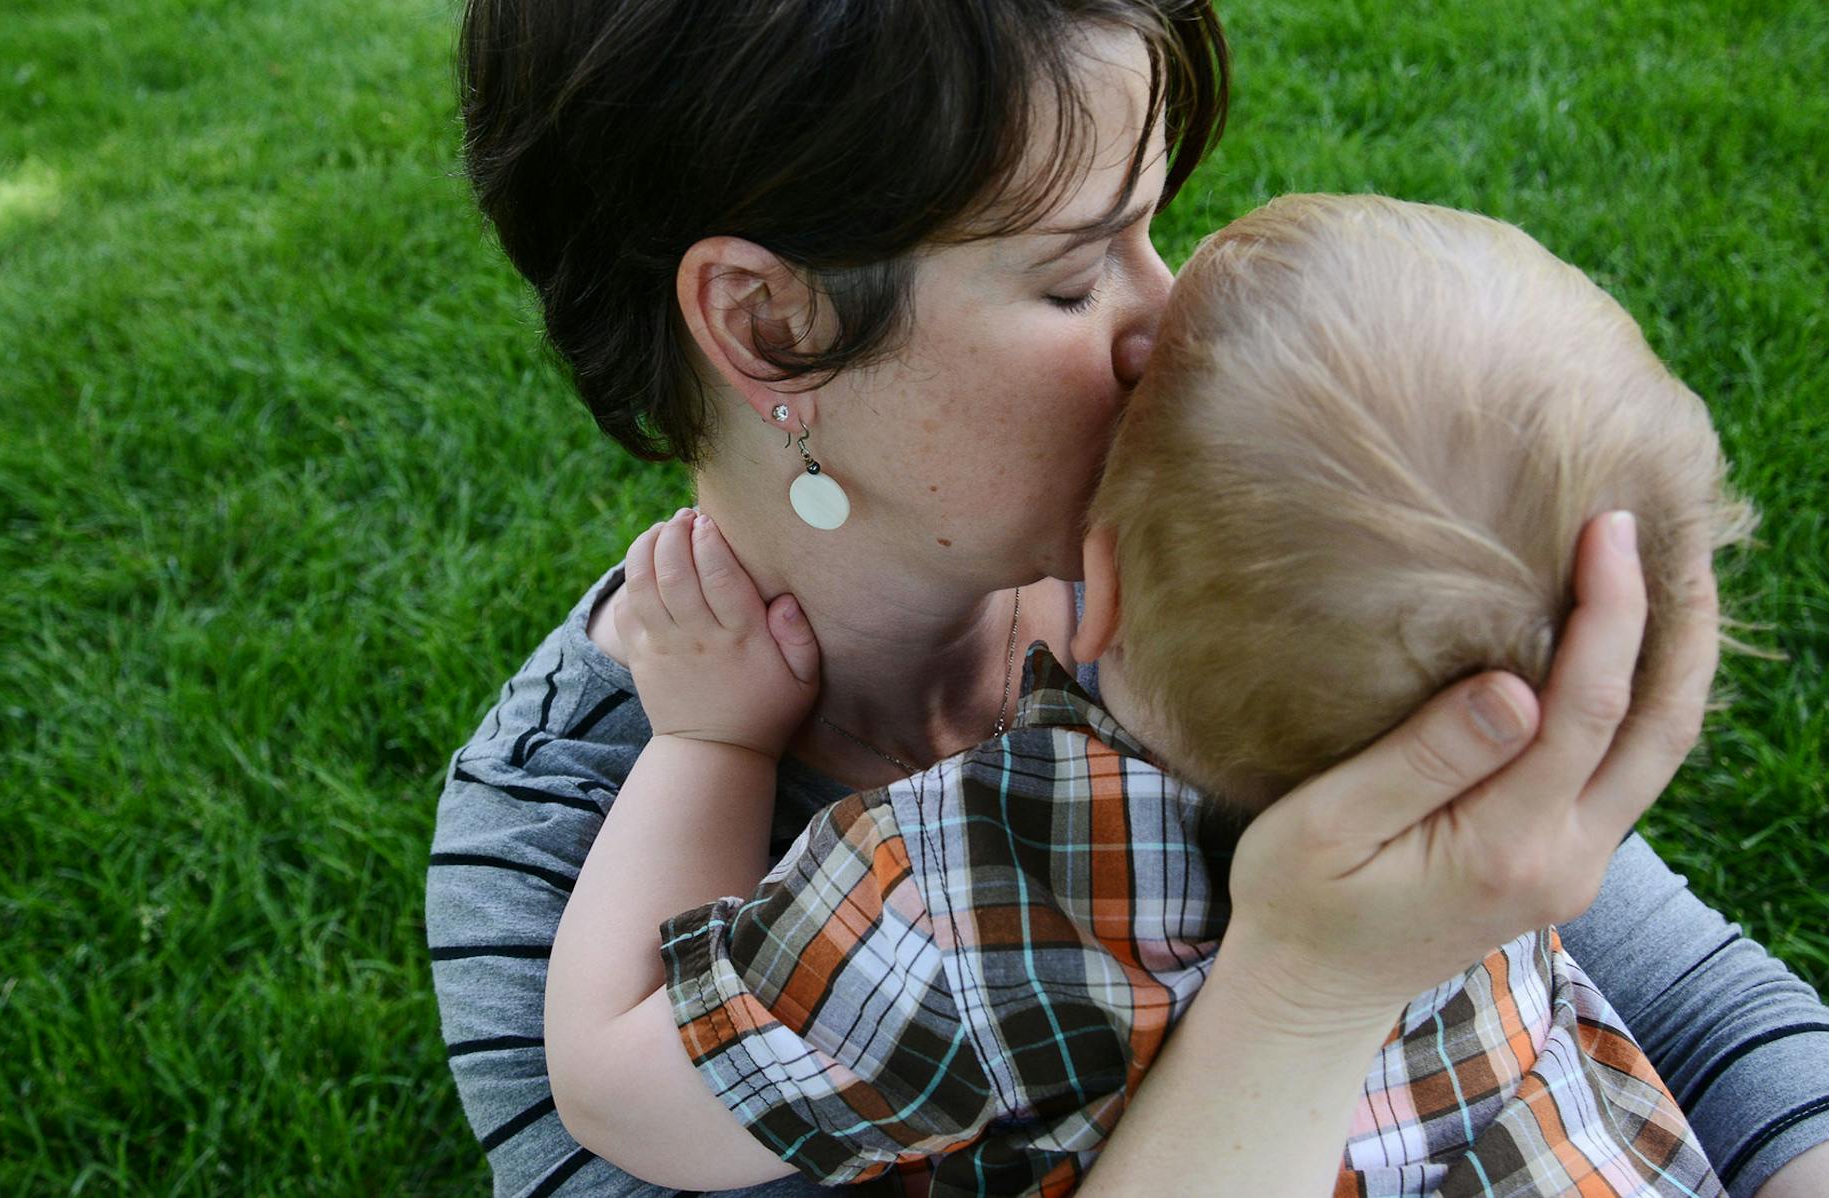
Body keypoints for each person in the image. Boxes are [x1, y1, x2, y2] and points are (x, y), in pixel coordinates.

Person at [427, 0, 1829, 1198]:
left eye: (1161, 229)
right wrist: (1310, 980)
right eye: (1078, 268)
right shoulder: (550, 835)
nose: (1167, 322)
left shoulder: (1265, 575)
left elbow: (1700, 1011)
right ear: (772, 322)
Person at [551, 194, 1747, 1195]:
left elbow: (618, 1082)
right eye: (1075, 278)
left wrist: (708, 738)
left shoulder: (957, 890)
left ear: (1100, 574)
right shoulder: (1503, 822)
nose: (1150, 313)